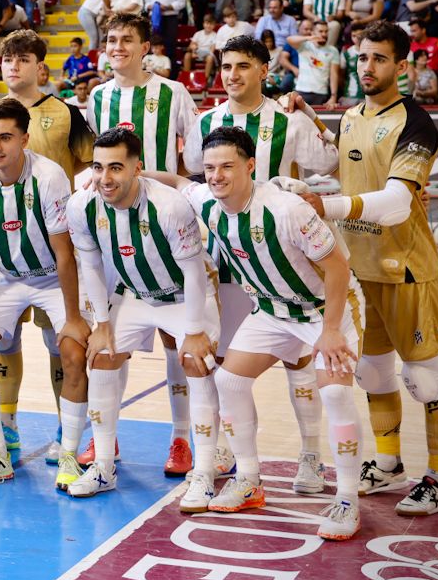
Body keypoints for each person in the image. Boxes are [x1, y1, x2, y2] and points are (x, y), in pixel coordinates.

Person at [150, 127, 367, 540]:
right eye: (210, 168)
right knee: (230, 381)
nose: (216, 176)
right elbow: (177, 182)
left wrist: (331, 330)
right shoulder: (207, 201)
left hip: (324, 310)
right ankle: (248, 480)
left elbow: (338, 267)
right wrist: (131, 173)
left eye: (227, 166)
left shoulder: (287, 210)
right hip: (272, 311)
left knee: (336, 394)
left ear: (250, 166)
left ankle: (346, 499)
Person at [290, 20, 438, 518]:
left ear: (401, 66)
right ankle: (388, 463)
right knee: (374, 374)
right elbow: (349, 163)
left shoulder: (417, 123)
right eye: (363, 57)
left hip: (407, 269)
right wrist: (309, 120)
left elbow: (397, 202)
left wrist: (326, 207)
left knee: (427, 381)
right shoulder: (351, 115)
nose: (368, 67)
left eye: (380, 59)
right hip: (361, 270)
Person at [60, 125, 221, 499]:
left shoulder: (170, 206)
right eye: (98, 167)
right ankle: (103, 467)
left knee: (195, 362)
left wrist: (194, 330)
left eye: (115, 167)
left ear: (137, 168)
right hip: (134, 293)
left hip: (183, 294)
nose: (105, 178)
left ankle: (204, 472)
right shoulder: (81, 205)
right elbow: (92, 266)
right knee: (102, 355)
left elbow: (194, 274)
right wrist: (101, 324)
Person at [0, 99, 88, 484]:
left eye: (6, 137)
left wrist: (74, 317)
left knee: (74, 352)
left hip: (53, 277)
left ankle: (69, 453)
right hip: (7, 278)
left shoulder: (50, 176)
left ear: (25, 139)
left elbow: (65, 254)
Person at [144, 0, 186, 76]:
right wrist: (152, 6)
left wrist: (167, 7)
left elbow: (181, 2)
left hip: (170, 17)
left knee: (170, 46)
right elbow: (146, 2)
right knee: (153, 45)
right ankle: (150, 74)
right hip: (155, 19)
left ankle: (171, 76)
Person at [287, 20, 342, 107]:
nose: (324, 34)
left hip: (321, 93)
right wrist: (308, 38)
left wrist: (333, 96)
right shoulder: (304, 45)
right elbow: (289, 40)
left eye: (326, 31)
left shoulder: (333, 50)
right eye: (320, 31)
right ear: (313, 32)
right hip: (301, 91)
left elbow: (334, 74)